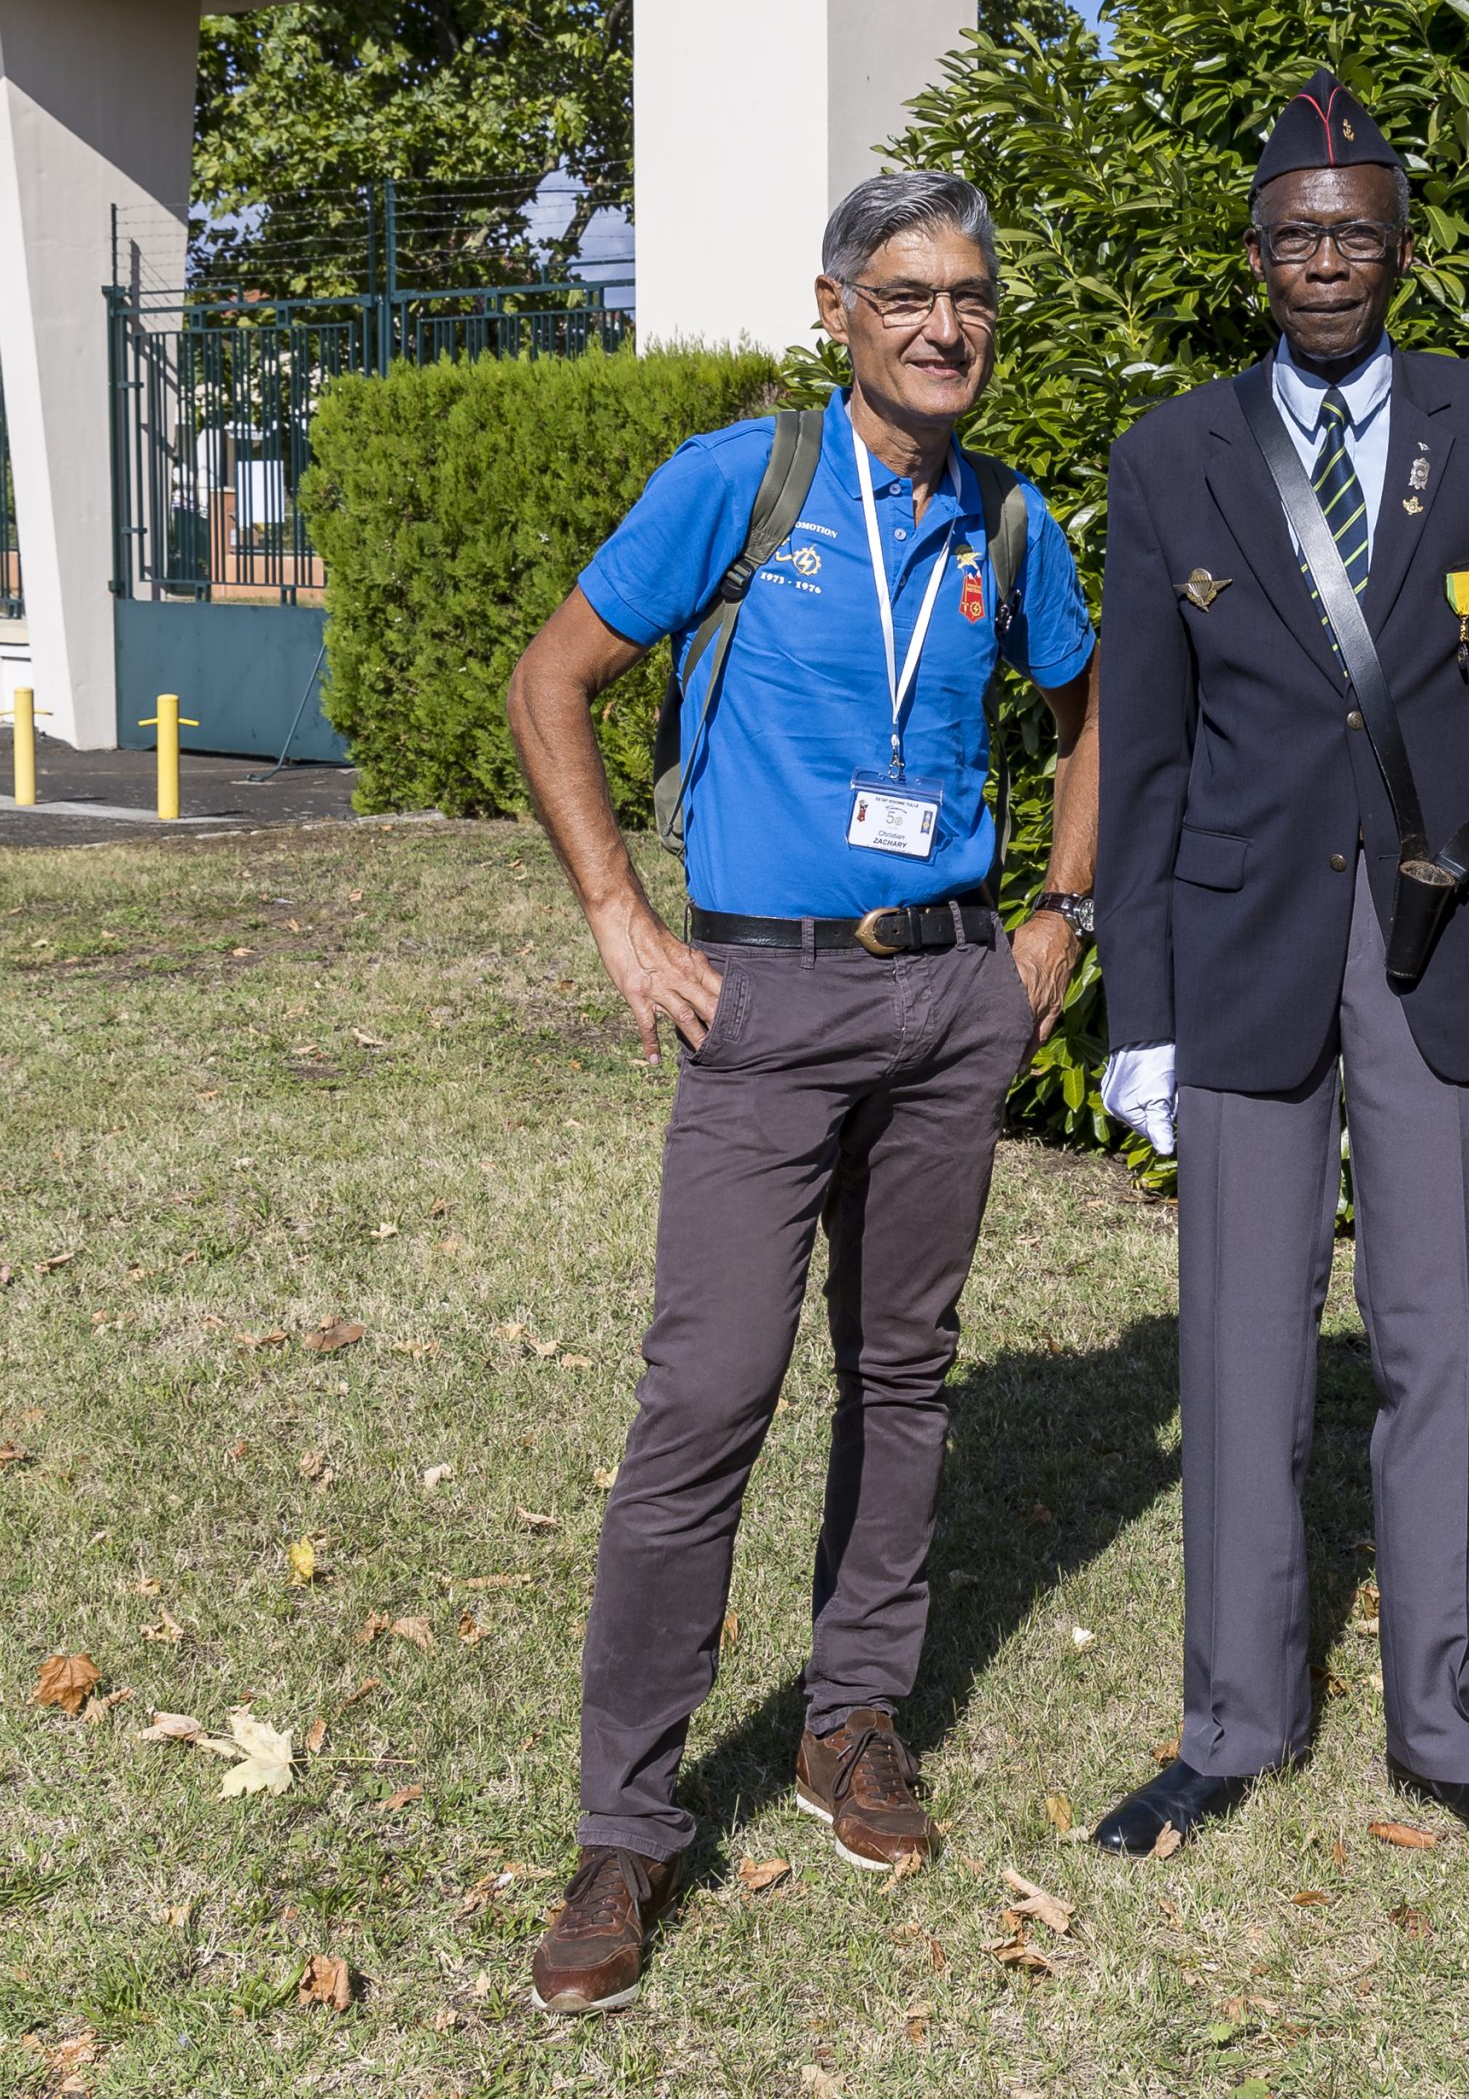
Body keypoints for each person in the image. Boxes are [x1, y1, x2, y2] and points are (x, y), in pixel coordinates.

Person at [506, 171, 1099, 2011]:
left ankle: (855, 1718)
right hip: (761, 996)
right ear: (835, 306)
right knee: (707, 1399)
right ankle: (626, 1827)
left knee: (901, 1372)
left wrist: (1058, 921)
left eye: (972, 297)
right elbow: (554, 680)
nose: (945, 326)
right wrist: (618, 916)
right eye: (909, 294)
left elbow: (1094, 720)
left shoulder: (1013, 520)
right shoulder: (743, 483)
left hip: (947, 998)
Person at [1088, 70, 1469, 1862]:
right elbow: (1140, 757)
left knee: (1447, 1340)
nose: (1327, 263)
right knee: (1236, 1348)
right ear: (1255, 255)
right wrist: (1133, 1010)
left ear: (1399, 248)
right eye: (1298, 238)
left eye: (1356, 235)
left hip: (1445, 941)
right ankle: (1233, 1719)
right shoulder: (1170, 460)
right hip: (1240, 950)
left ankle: (1446, 1726)